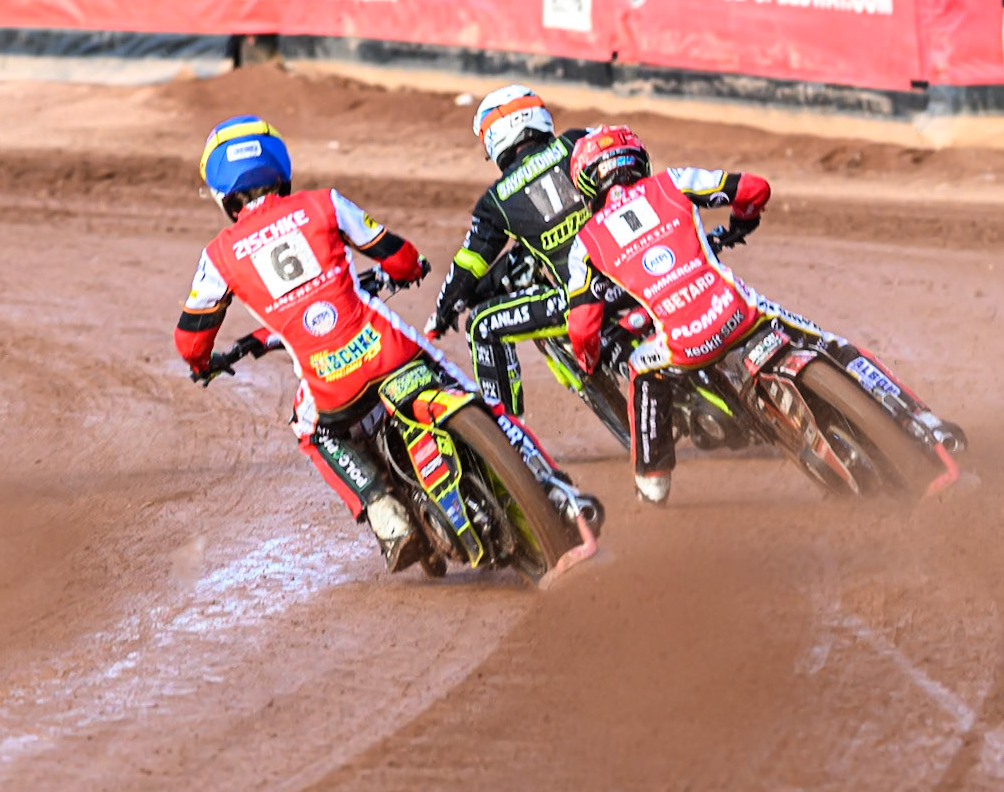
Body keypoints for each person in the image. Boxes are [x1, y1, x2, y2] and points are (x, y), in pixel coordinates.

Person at [174, 115, 595, 572]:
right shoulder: (324, 204)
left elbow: (190, 341)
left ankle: (385, 513)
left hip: (330, 386)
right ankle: (558, 490)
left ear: (221, 190)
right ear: (280, 165)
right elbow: (398, 254)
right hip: (387, 348)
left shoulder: (217, 256)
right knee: (479, 399)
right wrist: (409, 269)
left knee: (310, 428)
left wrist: (203, 364)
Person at [562, 125, 965, 504]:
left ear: (586, 182)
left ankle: (653, 481)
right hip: (741, 313)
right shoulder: (674, 181)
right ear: (637, 158)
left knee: (641, 369)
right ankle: (925, 423)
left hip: (680, 344)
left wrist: (589, 361)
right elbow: (755, 188)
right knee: (834, 345)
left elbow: (582, 327)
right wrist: (745, 219)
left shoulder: (585, 243)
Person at [426, 85, 621, 416]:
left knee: (482, 326)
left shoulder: (497, 199)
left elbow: (469, 266)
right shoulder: (577, 141)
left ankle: (509, 433)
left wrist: (443, 313)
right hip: (642, 266)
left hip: (582, 295)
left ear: (498, 134)